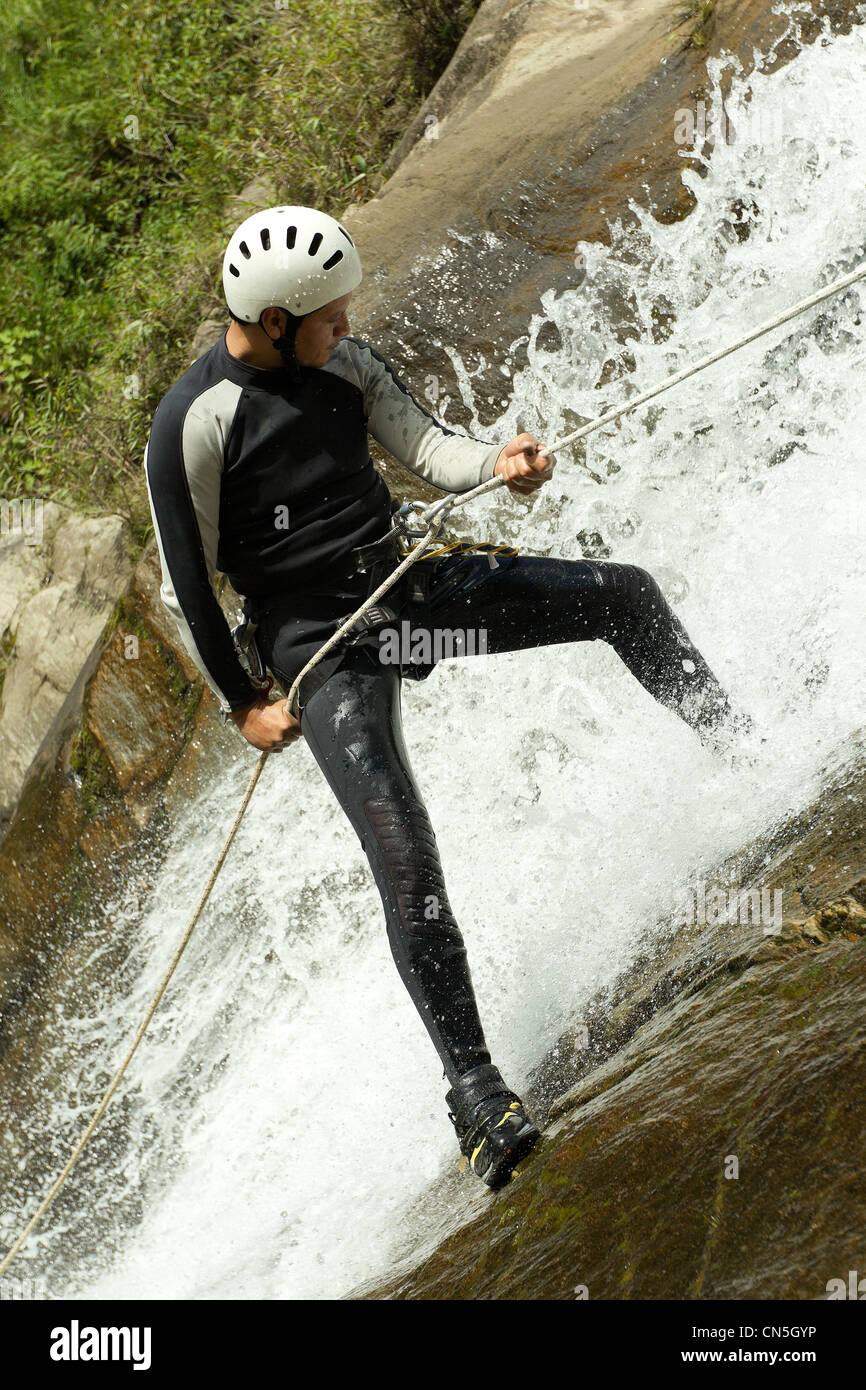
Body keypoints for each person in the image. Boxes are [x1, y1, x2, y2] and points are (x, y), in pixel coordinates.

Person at [145, 205, 741, 1190]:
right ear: (281, 321)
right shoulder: (194, 423)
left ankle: (746, 753)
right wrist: (244, 701)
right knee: (402, 849)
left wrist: (500, 463)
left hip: (412, 601)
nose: (349, 325)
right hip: (324, 654)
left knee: (622, 597)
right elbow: (186, 585)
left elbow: (428, 446)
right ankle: (474, 1091)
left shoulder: (344, 365)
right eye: (333, 315)